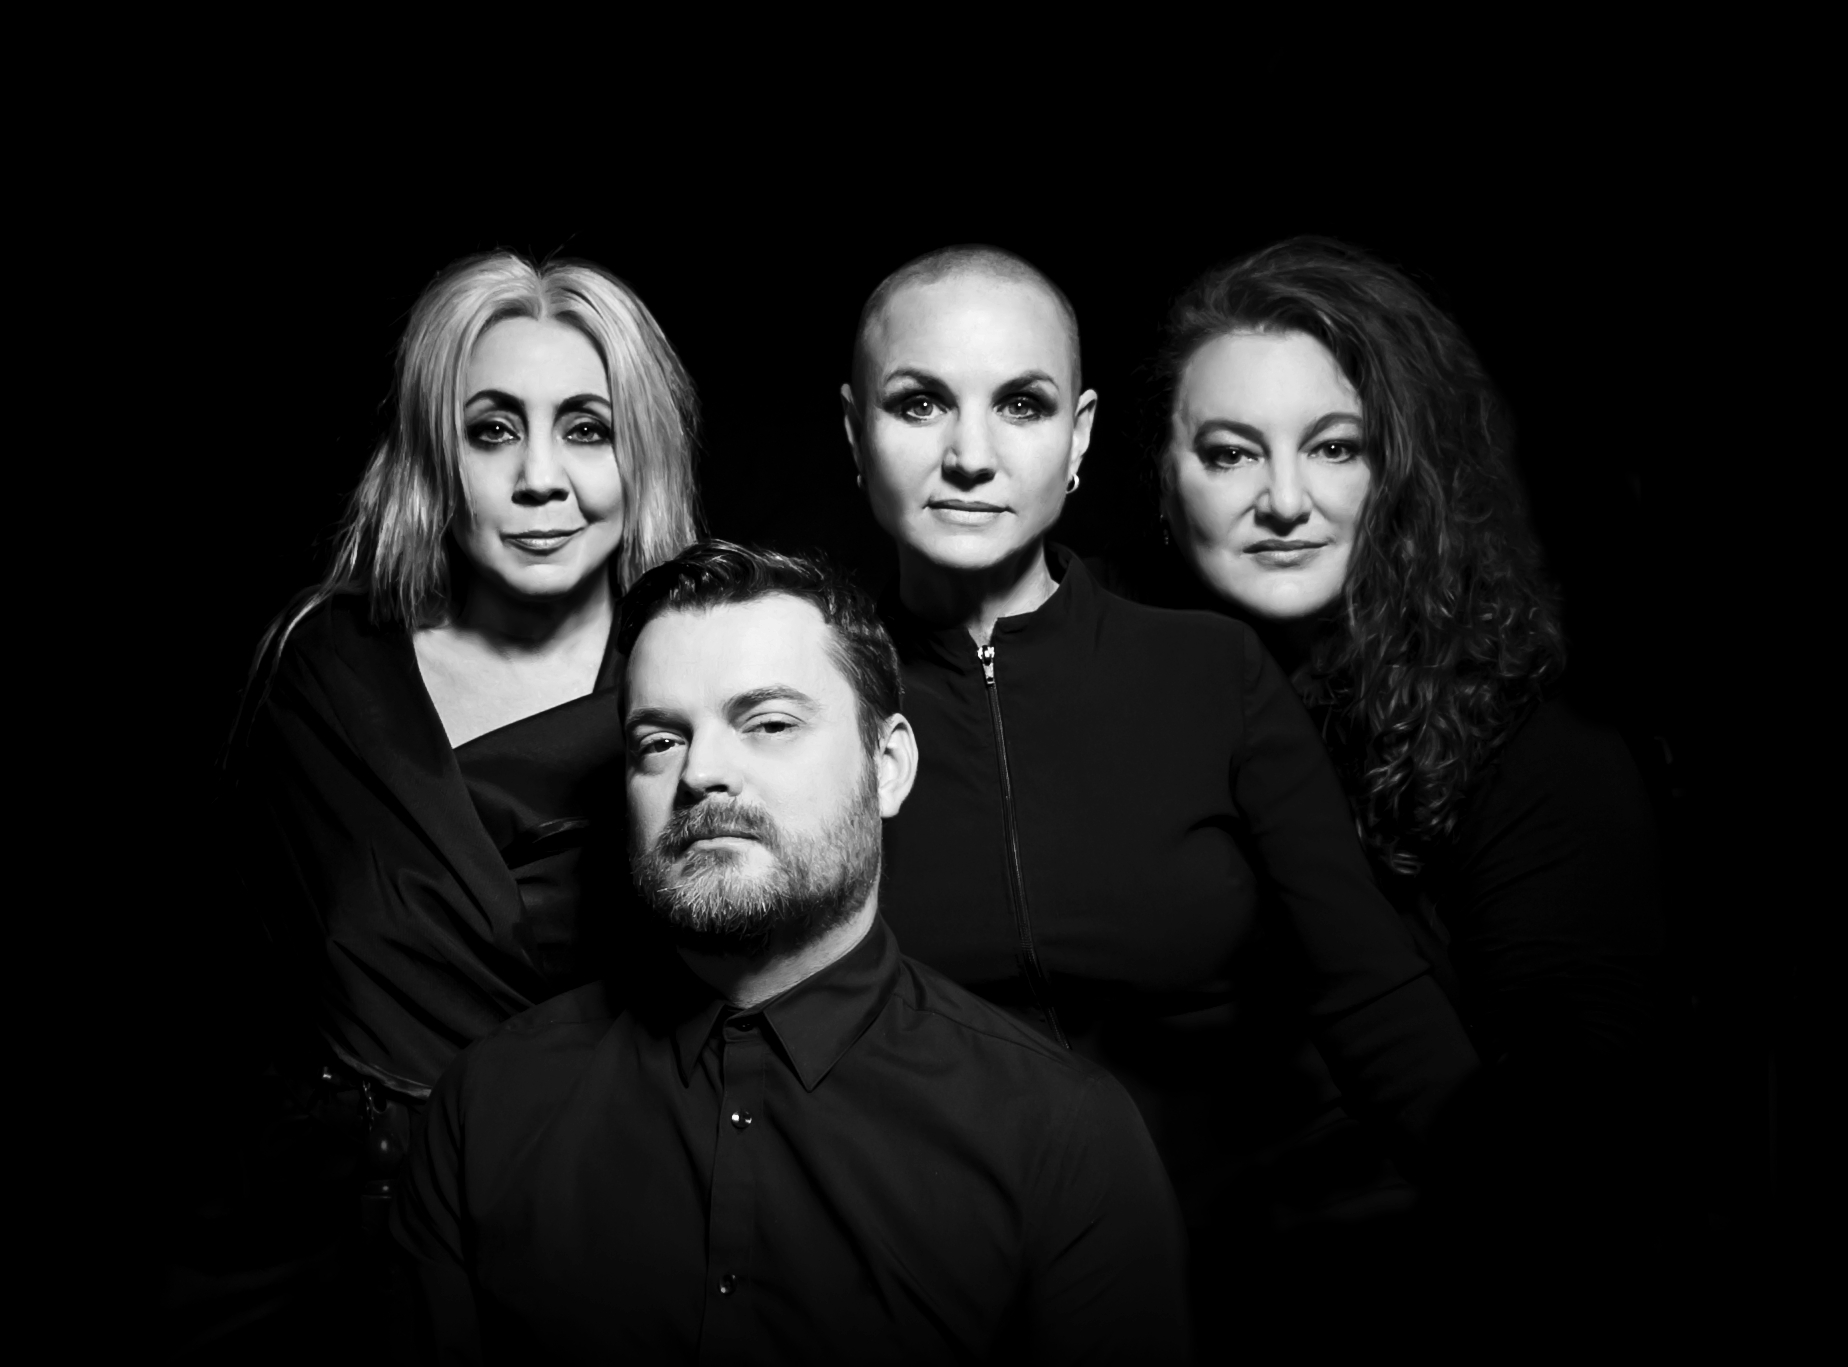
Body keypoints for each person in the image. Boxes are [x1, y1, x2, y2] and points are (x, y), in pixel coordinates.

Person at [838, 245, 1480, 1346]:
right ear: (855, 432)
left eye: (1022, 404)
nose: (971, 456)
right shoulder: (808, 695)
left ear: (1080, 437)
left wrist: (1536, 1214)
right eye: (920, 403)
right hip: (949, 1284)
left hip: (1259, 1263)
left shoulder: (1210, 671)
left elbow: (1373, 996)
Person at [393, 542, 1191, 1364]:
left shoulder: (1063, 1134)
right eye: (659, 741)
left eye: (769, 723)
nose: (702, 772)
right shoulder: (486, 1107)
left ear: (888, 766)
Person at [1141, 236, 1666, 1310]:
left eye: (1336, 447)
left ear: (1408, 467)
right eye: (1232, 454)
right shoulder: (1155, 709)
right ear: (1165, 477)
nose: (1284, 500)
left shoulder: (1531, 737)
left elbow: (1582, 1147)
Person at [216, 252, 698, 1344]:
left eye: (587, 428)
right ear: (438, 452)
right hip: (320, 1247)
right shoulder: (324, 666)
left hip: (601, 1238)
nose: (540, 478)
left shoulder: (702, 686)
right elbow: (228, 989)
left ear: (643, 450)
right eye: (493, 430)